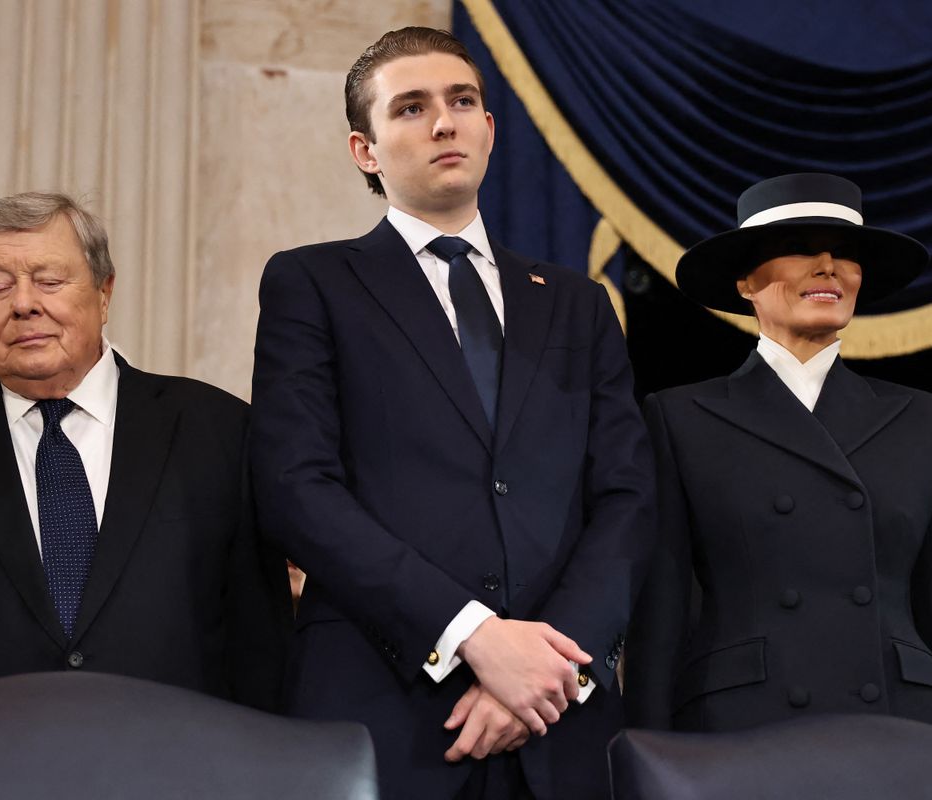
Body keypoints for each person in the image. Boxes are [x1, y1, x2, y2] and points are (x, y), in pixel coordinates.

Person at [249, 27, 654, 800]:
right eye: (411, 108)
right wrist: (471, 635)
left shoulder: (578, 304)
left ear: (489, 130)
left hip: (560, 724)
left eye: (461, 101)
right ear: (365, 150)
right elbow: (296, 488)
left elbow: (627, 501)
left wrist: (545, 670)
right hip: (388, 714)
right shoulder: (313, 284)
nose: (444, 122)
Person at [0, 192, 290, 711]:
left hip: (174, 770)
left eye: (50, 281)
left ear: (105, 294)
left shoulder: (217, 431)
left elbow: (261, 645)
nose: (23, 304)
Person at [623, 173, 932, 739]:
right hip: (746, 730)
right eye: (801, 249)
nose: (828, 266)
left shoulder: (923, 419)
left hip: (902, 731)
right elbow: (661, 611)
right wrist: (645, 758)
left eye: (846, 254)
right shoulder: (681, 417)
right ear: (746, 282)